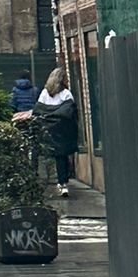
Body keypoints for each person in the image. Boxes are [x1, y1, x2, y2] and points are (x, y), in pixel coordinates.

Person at [33, 65, 80, 197]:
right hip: (61, 131)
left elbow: (39, 110)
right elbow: (69, 112)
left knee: (42, 154)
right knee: (61, 157)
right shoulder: (66, 94)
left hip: (47, 129)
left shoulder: (44, 93)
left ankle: (40, 181)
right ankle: (62, 183)